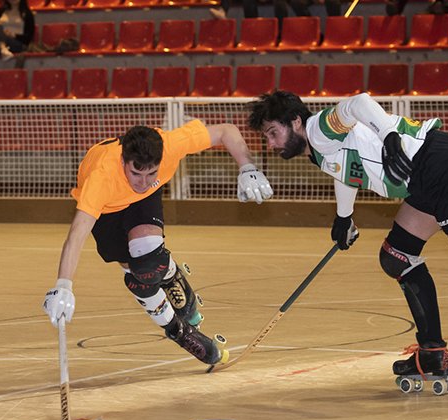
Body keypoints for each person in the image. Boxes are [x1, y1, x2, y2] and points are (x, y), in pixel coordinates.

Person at [247, 91, 448, 388]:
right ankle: (432, 352)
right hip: (424, 178)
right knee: (397, 256)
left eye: (272, 133)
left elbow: (359, 102)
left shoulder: (318, 129)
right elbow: (344, 171)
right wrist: (344, 216)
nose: (270, 144)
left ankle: (434, 348)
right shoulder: (320, 147)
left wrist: (390, 136)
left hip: (438, 168)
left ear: (295, 121)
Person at [42, 120, 274, 366]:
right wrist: (63, 285)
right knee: (138, 278)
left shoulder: (171, 145)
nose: (142, 181)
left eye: (151, 173)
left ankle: (171, 274)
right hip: (107, 208)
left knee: (148, 263)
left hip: (143, 202)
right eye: (136, 173)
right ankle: (179, 331)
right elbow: (76, 234)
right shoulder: (101, 176)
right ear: (123, 161)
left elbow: (226, 131)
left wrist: (247, 167)